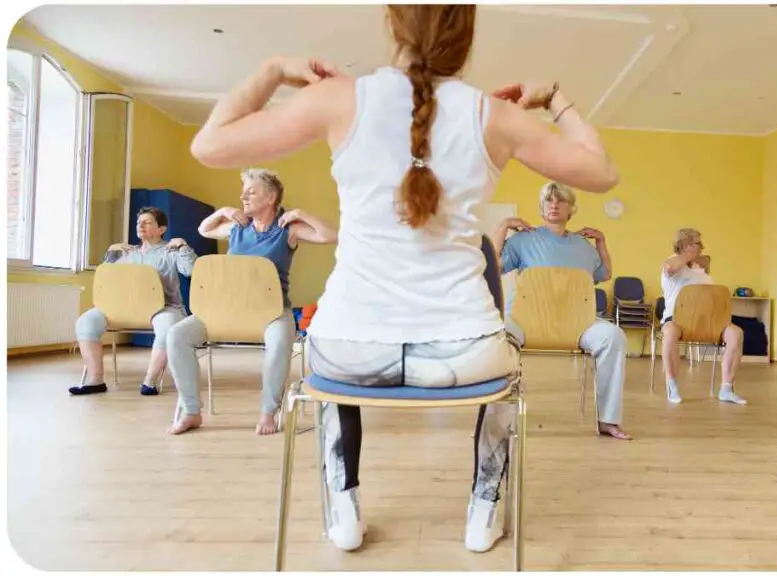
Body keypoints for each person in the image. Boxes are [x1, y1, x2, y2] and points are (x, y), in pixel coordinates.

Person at [187, 4, 618, 554]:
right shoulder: (495, 116)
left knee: (326, 346)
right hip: (465, 357)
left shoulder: (341, 97)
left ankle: (343, 511)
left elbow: (208, 143)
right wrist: (555, 97)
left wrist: (273, 70)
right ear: (466, 37)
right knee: (509, 355)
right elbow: (602, 171)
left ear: (394, 26)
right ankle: (484, 509)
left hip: (347, 353)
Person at [165, 168, 337, 436]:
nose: (243, 196)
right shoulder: (237, 227)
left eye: (251, 191)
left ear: (270, 198)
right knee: (177, 335)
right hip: (226, 310)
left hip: (271, 312)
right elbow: (204, 229)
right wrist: (222, 210)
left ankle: (269, 411)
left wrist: (301, 214)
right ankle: (191, 411)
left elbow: (330, 235)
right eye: (243, 191)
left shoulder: (288, 230)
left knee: (280, 342)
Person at [494, 182, 631, 441]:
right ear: (542, 208)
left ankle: (608, 421)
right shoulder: (523, 240)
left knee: (613, 336)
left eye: (561, 201)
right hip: (526, 323)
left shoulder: (583, 246)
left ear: (571, 209)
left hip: (577, 324)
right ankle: (497, 420)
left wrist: (601, 241)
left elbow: (605, 273)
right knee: (497, 334)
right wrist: (502, 228)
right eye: (549, 200)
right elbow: (490, 265)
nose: (554, 205)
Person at [71, 207, 195, 396]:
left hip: (163, 308)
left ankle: (149, 382)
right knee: (86, 322)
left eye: (147, 222)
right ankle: (95, 380)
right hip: (123, 308)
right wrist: (110, 253)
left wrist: (184, 246)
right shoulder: (125, 253)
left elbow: (190, 270)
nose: (141, 225)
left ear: (161, 229)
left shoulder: (170, 251)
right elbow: (107, 278)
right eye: (139, 222)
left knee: (168, 326)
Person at [659, 228, 747, 405]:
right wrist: (688, 255)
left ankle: (727, 389)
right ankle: (672, 385)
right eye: (698, 243)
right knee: (669, 333)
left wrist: (698, 259)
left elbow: (706, 262)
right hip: (678, 321)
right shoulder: (673, 263)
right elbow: (670, 268)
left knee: (735, 333)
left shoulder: (701, 269)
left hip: (710, 322)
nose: (703, 247)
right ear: (686, 245)